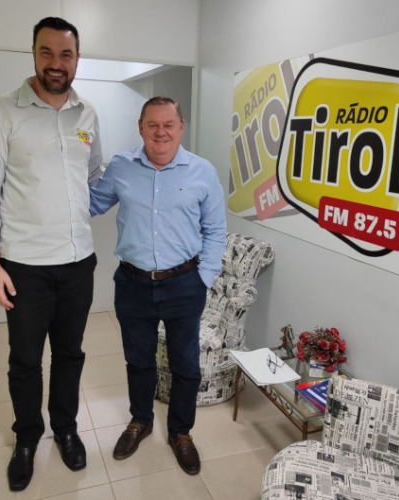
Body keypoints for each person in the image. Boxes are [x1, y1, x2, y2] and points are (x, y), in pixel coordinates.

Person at [0, 17, 103, 491]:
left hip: (78, 263)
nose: (56, 63)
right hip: (24, 266)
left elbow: (92, 175)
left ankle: (65, 429)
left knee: (70, 354)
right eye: (47, 52)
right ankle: (27, 438)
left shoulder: (87, 115)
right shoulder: (2, 111)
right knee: (25, 360)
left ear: (77, 59)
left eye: (66, 54)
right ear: (33, 53)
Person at [90, 96, 226, 475]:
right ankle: (141, 421)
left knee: (186, 365)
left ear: (181, 128)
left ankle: (181, 432)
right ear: (141, 127)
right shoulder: (121, 166)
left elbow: (216, 230)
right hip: (132, 285)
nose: (160, 132)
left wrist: (204, 278)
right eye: (153, 125)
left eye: (168, 125)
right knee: (138, 360)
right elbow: (91, 204)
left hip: (185, 284)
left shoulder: (202, 171)